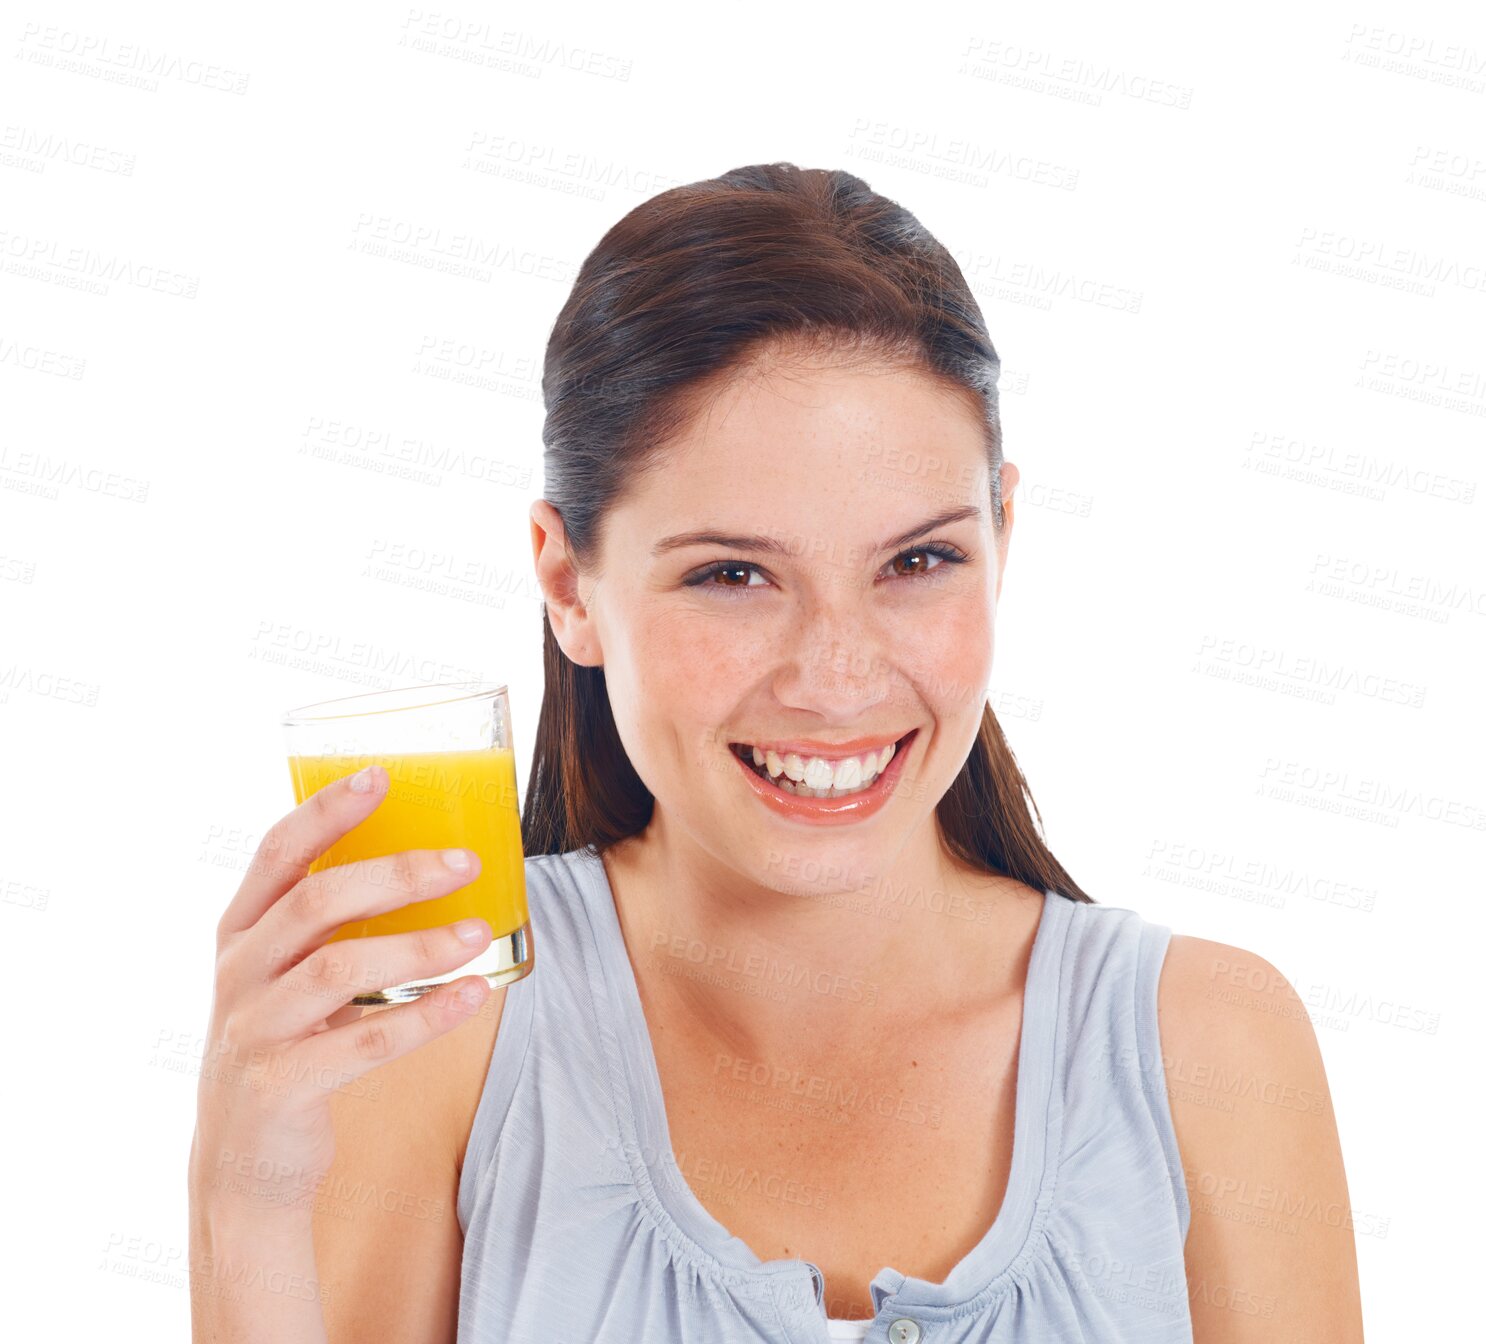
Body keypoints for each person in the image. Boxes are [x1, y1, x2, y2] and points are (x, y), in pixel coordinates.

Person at [189, 162, 1364, 1342]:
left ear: (1003, 536)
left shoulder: (1210, 1047)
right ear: (568, 583)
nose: (838, 677)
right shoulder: (440, 1030)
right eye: (732, 575)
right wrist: (243, 1208)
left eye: (917, 562)